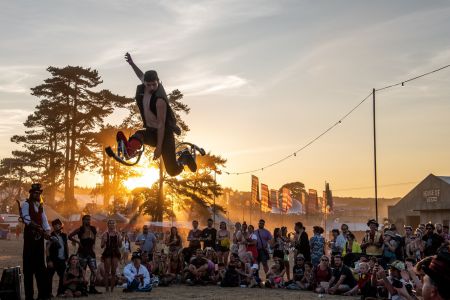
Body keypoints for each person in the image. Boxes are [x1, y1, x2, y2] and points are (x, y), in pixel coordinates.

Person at [118, 52, 197, 175]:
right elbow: (140, 75)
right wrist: (132, 63)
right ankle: (130, 150)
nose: (151, 87)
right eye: (148, 85)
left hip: (164, 134)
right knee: (139, 135)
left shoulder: (159, 99)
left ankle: (184, 157)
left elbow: (161, 125)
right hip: (151, 130)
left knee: (172, 171)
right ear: (145, 83)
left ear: (158, 81)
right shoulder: (145, 86)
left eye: (154, 84)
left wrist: (159, 148)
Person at [20, 183, 51, 300]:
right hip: (30, 239)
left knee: (40, 269)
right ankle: (29, 296)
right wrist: (38, 228)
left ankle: (42, 295)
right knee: (28, 270)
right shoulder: (26, 205)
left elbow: (45, 221)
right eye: (35, 193)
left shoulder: (41, 206)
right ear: (31, 193)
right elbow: (26, 219)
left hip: (39, 240)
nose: (37, 194)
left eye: (39, 193)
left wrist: (47, 231)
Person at [68, 214, 102, 294]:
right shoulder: (80, 229)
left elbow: (94, 240)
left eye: (89, 219)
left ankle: (92, 288)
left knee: (94, 271)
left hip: (91, 253)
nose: (88, 221)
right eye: (86, 219)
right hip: (82, 253)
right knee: (82, 271)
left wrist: (93, 248)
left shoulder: (93, 229)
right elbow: (69, 236)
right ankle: (83, 288)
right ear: (83, 220)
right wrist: (77, 242)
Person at [46, 218, 69, 297]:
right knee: (49, 277)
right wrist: (49, 260)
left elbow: (66, 246)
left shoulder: (64, 235)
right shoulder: (50, 236)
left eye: (59, 225)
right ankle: (49, 293)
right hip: (53, 260)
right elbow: (47, 248)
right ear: (53, 226)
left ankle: (60, 292)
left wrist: (67, 258)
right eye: (55, 225)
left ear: (61, 225)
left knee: (63, 276)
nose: (57, 226)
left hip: (62, 260)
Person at [101, 219, 122, 292]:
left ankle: (112, 289)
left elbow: (120, 245)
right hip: (107, 252)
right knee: (107, 271)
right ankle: (107, 288)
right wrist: (104, 240)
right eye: (110, 223)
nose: (111, 224)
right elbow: (101, 246)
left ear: (115, 224)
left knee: (113, 271)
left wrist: (120, 240)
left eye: (113, 223)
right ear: (108, 225)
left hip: (115, 252)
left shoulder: (118, 234)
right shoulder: (105, 234)